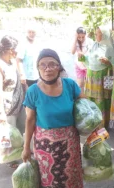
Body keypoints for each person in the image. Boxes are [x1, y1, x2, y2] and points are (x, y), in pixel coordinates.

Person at [21, 49, 83, 188]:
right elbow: (30, 120)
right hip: (45, 147)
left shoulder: (70, 85)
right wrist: (26, 147)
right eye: (42, 65)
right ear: (37, 68)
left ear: (59, 67)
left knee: (72, 178)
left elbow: (85, 108)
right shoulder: (33, 91)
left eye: (52, 64)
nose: (47, 69)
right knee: (49, 180)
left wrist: (95, 129)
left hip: (70, 144)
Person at [0, 35, 26, 168]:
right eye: (15, 49)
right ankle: (11, 159)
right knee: (9, 135)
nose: (17, 52)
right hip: (7, 107)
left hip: (19, 104)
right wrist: (1, 113)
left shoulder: (11, 62)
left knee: (21, 129)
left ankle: (21, 153)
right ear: (8, 49)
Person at [84, 26, 114, 129]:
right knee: (91, 99)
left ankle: (101, 124)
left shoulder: (109, 48)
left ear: (104, 35)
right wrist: (82, 57)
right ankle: (91, 121)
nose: (95, 35)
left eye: (97, 33)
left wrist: (108, 62)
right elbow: (88, 58)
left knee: (101, 100)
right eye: (95, 33)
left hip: (102, 77)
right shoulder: (94, 45)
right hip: (91, 78)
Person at [71, 27, 93, 93]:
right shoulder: (75, 41)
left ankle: (88, 99)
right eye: (79, 37)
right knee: (80, 84)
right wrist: (75, 38)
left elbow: (92, 53)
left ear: (85, 35)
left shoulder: (89, 41)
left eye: (83, 37)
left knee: (88, 84)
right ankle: (81, 99)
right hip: (78, 65)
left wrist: (84, 54)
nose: (81, 39)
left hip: (87, 65)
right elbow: (72, 52)